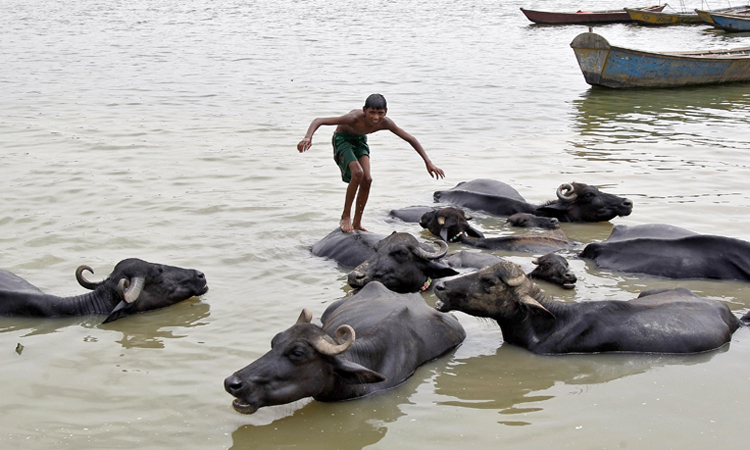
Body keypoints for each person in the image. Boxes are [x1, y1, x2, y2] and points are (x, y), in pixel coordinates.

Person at [297, 94, 445, 233]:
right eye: (372, 112)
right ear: (364, 111)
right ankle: (345, 216)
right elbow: (319, 120)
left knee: (367, 179)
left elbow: (410, 138)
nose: (376, 117)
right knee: (358, 173)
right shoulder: (353, 118)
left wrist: (428, 162)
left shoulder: (385, 122)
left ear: (385, 111)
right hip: (343, 139)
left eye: (380, 113)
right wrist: (307, 137)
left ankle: (357, 223)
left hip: (360, 141)